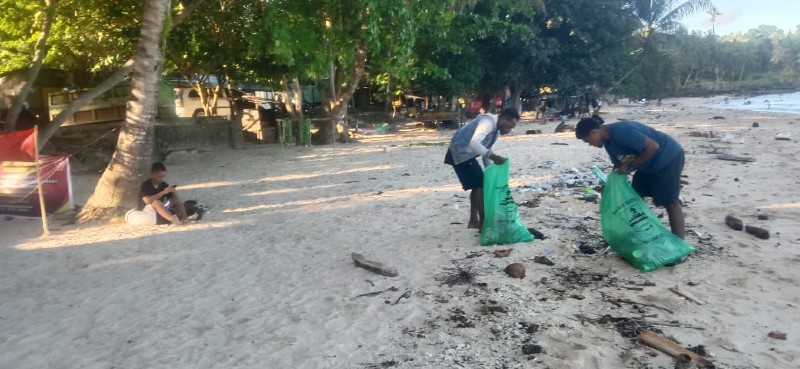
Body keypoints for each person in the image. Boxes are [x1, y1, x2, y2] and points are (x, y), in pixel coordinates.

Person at [575, 115, 686, 238]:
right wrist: (612, 184)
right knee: (635, 197)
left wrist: (630, 166)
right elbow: (619, 164)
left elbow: (652, 147)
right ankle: (643, 234)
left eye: (587, 140)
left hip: (667, 158)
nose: (590, 144)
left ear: (594, 132)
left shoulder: (622, 132)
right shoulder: (608, 143)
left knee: (670, 202)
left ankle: (680, 242)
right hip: (646, 165)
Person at [445, 108, 520, 229]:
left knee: (478, 185)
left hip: (467, 155)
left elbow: (486, 150)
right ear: (504, 119)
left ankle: (474, 220)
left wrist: (490, 171)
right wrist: (494, 157)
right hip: (458, 153)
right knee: (480, 186)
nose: (509, 130)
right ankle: (484, 223)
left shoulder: (495, 130)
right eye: (509, 126)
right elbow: (474, 143)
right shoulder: (487, 123)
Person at [128, 162, 196, 225]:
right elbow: (147, 201)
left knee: (175, 199)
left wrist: (172, 191)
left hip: (161, 207)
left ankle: (185, 219)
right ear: (153, 174)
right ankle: (172, 219)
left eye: (163, 176)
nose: (162, 179)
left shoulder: (163, 184)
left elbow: (173, 199)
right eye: (160, 176)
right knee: (156, 202)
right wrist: (163, 192)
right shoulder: (146, 185)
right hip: (147, 209)